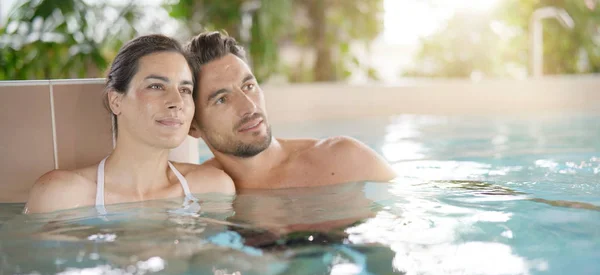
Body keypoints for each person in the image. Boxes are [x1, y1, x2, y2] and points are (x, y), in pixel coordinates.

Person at [25, 34, 234, 214]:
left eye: (185, 89)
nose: (177, 103)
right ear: (116, 101)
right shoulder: (60, 196)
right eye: (156, 86)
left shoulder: (212, 189)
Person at [185, 31, 396, 190]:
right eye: (222, 99)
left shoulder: (344, 160)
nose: (249, 106)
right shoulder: (199, 192)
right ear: (193, 126)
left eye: (249, 86)